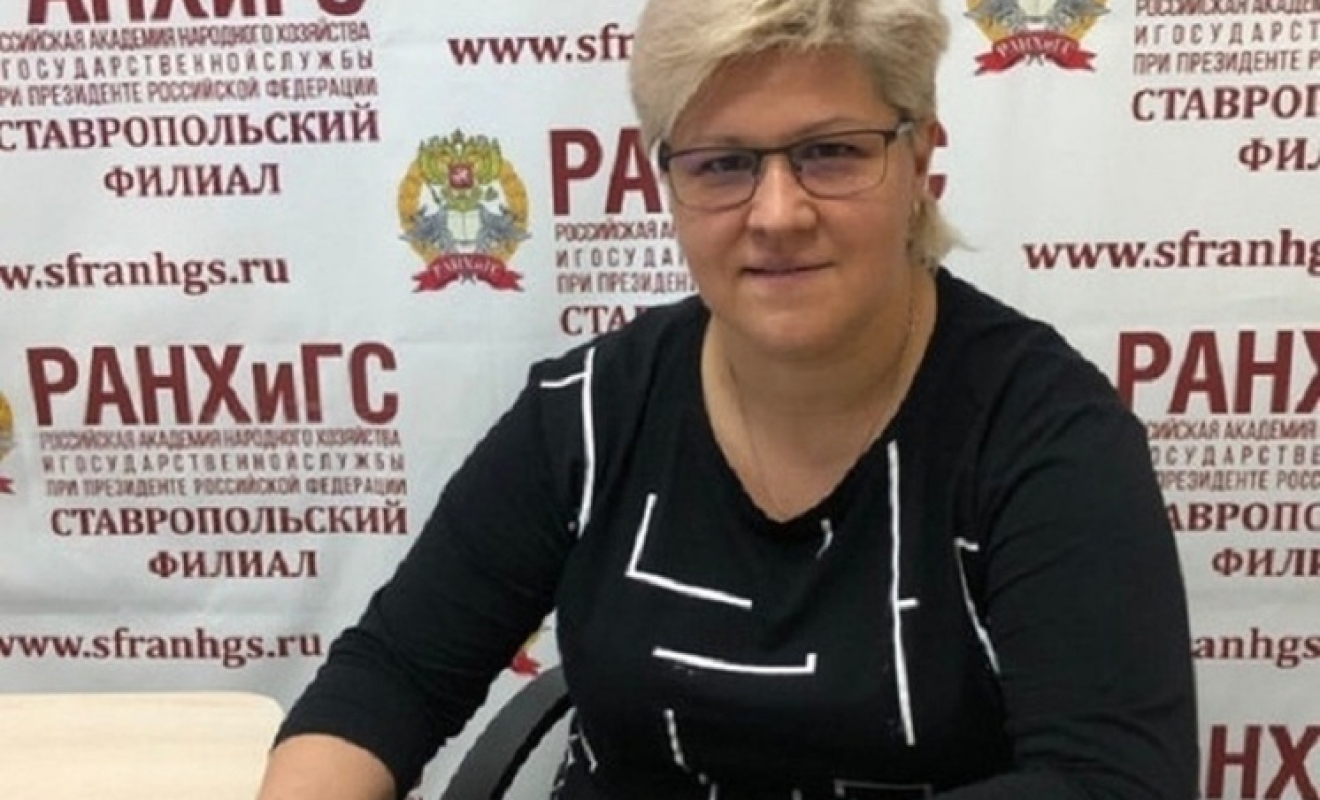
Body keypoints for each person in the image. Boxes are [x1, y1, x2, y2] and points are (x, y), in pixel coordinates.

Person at [255, 0, 1199, 797]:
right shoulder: (592, 409)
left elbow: (1112, 781)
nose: (778, 214)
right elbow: (391, 676)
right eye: (723, 164)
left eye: (831, 153)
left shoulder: (1044, 433)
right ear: (667, 183)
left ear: (920, 163)